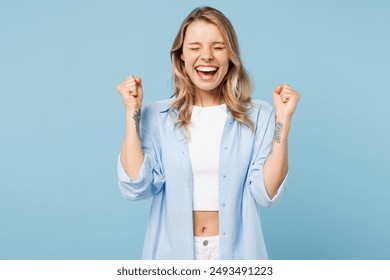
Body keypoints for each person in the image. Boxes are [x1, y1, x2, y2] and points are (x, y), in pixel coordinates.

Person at [116, 6, 300, 260]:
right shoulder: (157, 117)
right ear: (181, 56)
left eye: (218, 47)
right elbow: (136, 187)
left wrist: (284, 121)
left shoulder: (260, 115)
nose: (206, 56)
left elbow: (265, 194)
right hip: (171, 256)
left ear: (230, 55)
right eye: (194, 48)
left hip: (238, 254)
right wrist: (131, 112)